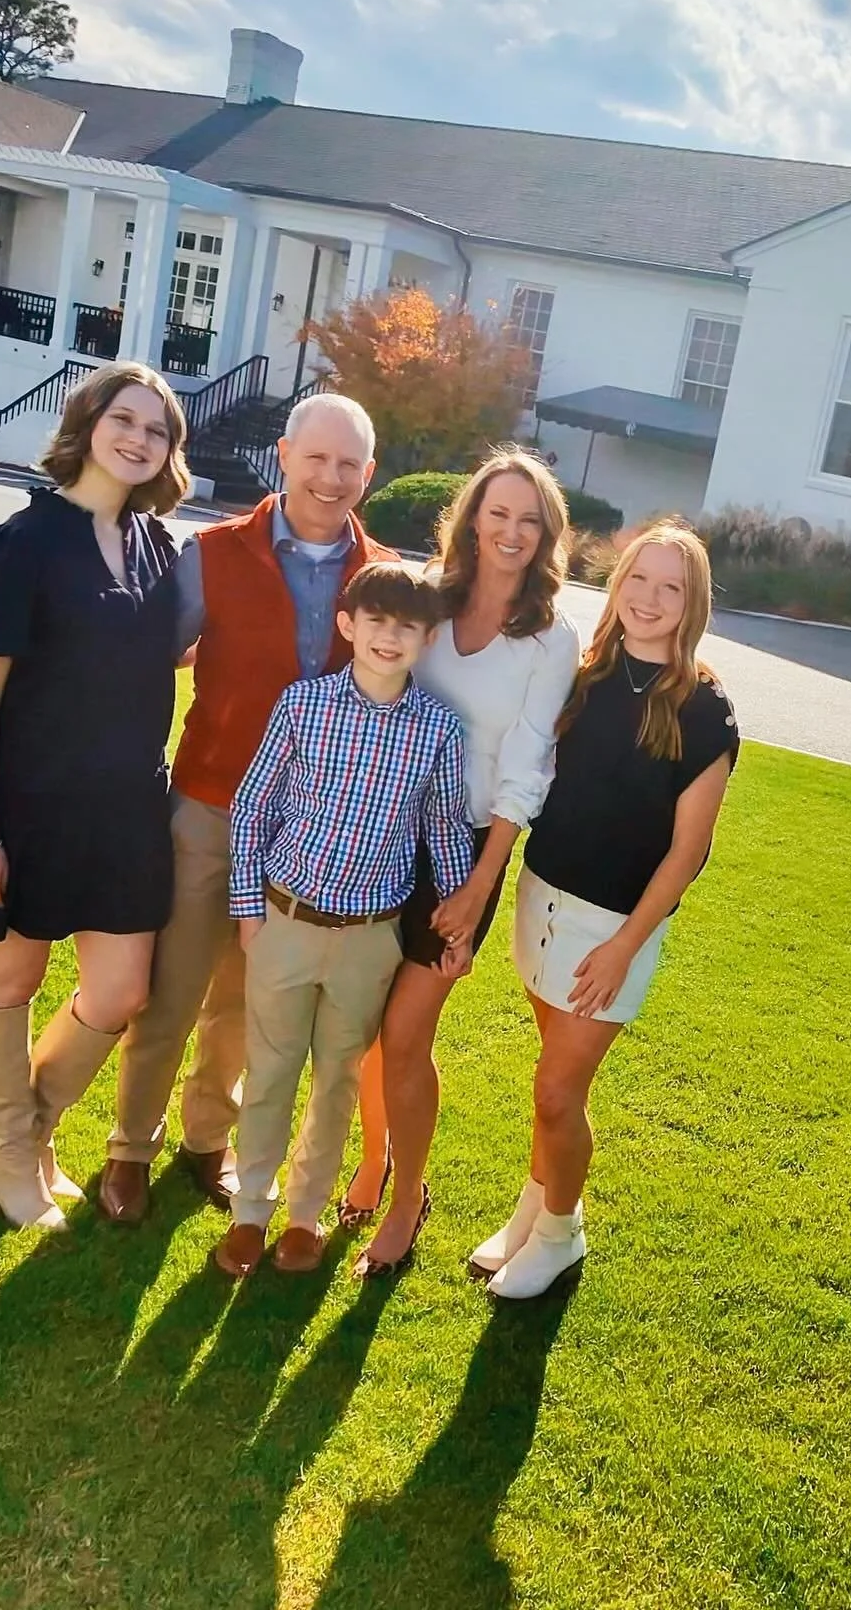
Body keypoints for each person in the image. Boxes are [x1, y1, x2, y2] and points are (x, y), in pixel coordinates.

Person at [97, 393, 397, 1225]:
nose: (330, 478)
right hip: (211, 808)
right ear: (284, 455)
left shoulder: (384, 580)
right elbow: (148, 660)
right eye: (316, 458)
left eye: (348, 465)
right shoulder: (213, 554)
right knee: (172, 988)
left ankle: (205, 1142)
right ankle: (129, 1149)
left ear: (367, 475)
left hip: (310, 838)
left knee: (244, 1002)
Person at [0, 363, 188, 1230]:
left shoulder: (157, 548)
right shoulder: (22, 545)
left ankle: (32, 1130)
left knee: (119, 989)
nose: (139, 439)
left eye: (158, 429)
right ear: (87, 423)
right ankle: (12, 1152)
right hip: (27, 800)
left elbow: (161, 653)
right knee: (14, 968)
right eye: (126, 419)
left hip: (125, 810)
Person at [473, 517, 739, 1299]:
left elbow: (688, 851)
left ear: (691, 605)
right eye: (638, 579)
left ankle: (561, 1233)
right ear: (617, 584)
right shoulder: (588, 674)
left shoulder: (704, 707)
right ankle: (536, 1204)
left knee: (559, 1090)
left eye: (671, 587)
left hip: (613, 930)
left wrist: (625, 945)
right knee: (551, 1087)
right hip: (542, 898)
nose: (650, 599)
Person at [345, 450, 580, 1277]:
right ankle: (371, 1160)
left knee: (407, 1032)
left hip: (464, 856)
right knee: (370, 1032)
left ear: (546, 533)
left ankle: (408, 1194)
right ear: (472, 516)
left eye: (530, 519)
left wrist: (478, 886)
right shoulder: (428, 603)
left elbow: (527, 767)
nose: (512, 532)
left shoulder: (550, 636)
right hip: (376, 837)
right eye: (499, 513)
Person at [213, 563, 475, 1277]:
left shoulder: (438, 731)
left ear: (427, 639)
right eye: (377, 622)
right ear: (347, 626)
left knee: (335, 1081)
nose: (389, 638)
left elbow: (445, 832)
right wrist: (248, 913)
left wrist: (457, 927)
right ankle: (250, 1213)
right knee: (269, 1072)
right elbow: (254, 808)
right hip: (285, 922)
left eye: (407, 627)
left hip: (370, 939)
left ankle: (304, 1217)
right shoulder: (303, 705)